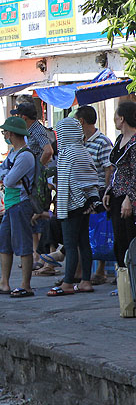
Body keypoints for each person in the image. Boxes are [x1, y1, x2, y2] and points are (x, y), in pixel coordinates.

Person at [47, 117, 101, 296]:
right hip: (86, 204)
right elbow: (91, 178)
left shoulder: (66, 153)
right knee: (84, 243)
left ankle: (68, 283)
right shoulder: (83, 151)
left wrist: (65, 207)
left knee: (70, 245)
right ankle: (86, 280)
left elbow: (66, 184)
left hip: (70, 205)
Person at [0, 116, 38, 298]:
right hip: (11, 204)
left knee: (24, 244)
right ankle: (4, 283)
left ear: (11, 133)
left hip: (20, 204)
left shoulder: (25, 155)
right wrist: (6, 174)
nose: (4, 134)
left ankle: (26, 285)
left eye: (5, 132)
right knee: (4, 243)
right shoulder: (12, 154)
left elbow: (7, 179)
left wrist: (6, 174)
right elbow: (1, 173)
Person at [76, 106, 114, 284]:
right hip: (82, 193)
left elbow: (109, 168)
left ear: (81, 121)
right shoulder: (81, 141)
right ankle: (82, 270)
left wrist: (105, 192)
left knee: (98, 231)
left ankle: (100, 271)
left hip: (97, 192)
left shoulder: (102, 142)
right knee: (85, 232)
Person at [106, 101, 136, 271]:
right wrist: (109, 191)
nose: (114, 120)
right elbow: (116, 169)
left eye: (116, 116)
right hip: (116, 195)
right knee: (119, 240)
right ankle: (124, 280)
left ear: (122, 118)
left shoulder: (134, 142)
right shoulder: (119, 140)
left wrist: (128, 198)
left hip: (129, 198)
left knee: (129, 238)